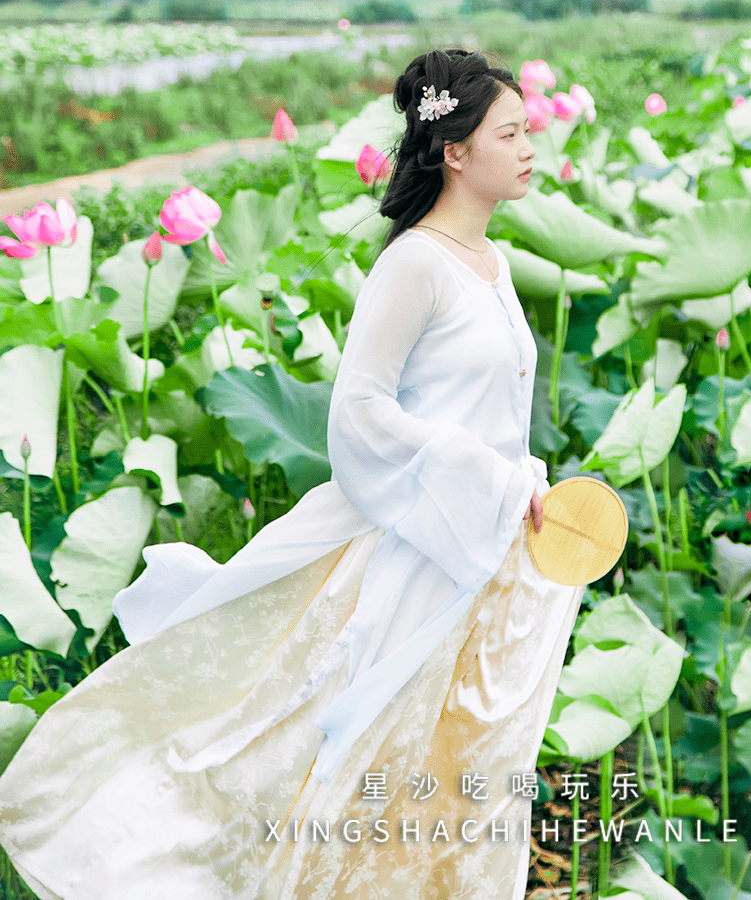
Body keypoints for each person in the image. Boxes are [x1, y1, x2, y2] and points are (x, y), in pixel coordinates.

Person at [0, 47, 585, 899]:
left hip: (482, 554)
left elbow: (488, 417)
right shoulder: (414, 264)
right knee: (345, 752)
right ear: (456, 151)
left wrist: (520, 480)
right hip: (410, 555)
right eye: (512, 131)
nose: (531, 145)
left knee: (460, 766)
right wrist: (479, 474)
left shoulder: (490, 263)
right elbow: (359, 412)